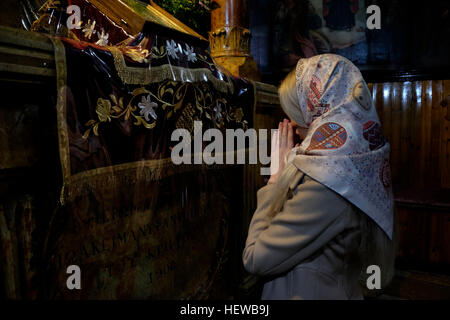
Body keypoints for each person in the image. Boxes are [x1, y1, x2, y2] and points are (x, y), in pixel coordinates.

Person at [242, 54, 396, 300]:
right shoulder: (353, 157)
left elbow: (255, 258)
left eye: (298, 109)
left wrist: (274, 181)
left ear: (323, 106)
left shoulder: (328, 182)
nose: (292, 122)